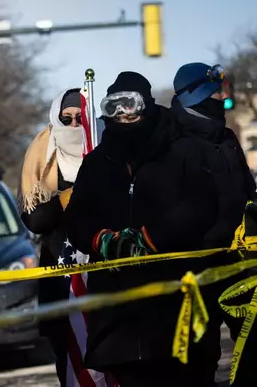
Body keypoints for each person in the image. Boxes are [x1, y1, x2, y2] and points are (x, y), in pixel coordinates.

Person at [65, 71, 219, 387]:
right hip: (119, 318)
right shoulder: (97, 163)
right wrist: (101, 240)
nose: (122, 115)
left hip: (177, 308)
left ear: (146, 106)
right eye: (113, 107)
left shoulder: (184, 150)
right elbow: (76, 219)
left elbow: (202, 206)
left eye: (129, 106)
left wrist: (151, 238)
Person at [19, 88, 113, 387]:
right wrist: (63, 200)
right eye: (66, 118)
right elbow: (34, 219)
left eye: (80, 119)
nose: (74, 126)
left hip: (105, 274)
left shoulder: (107, 147)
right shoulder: (43, 152)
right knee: (69, 357)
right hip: (60, 275)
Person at [172, 62, 257, 386]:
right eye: (216, 90)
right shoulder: (175, 142)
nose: (223, 95)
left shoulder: (227, 136)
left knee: (250, 342)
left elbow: (246, 190)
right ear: (198, 94)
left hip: (240, 262)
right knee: (200, 355)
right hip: (196, 268)